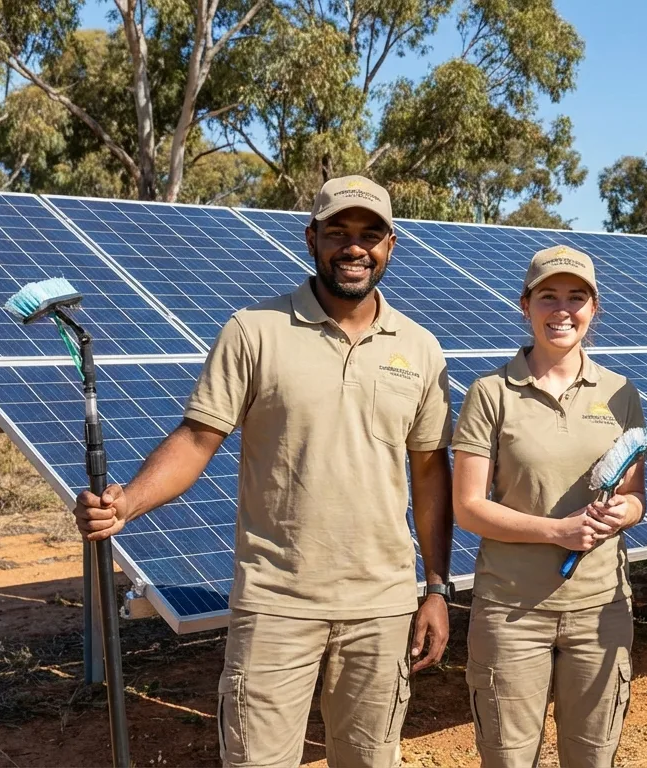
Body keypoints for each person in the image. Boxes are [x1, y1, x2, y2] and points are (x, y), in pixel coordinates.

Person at [73, 176, 455, 768]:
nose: (354, 248)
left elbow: (430, 473)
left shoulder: (422, 348)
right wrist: (126, 502)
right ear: (311, 239)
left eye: (370, 234)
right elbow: (197, 439)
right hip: (277, 603)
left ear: (391, 245)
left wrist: (434, 589)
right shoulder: (254, 331)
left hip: (382, 606)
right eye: (338, 233)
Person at [451, 245, 647, 768]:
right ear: (525, 305)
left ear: (594, 308)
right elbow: (468, 508)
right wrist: (556, 531)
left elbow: (635, 496)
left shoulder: (621, 393)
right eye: (548, 296)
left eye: (576, 297)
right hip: (513, 612)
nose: (563, 309)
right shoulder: (490, 393)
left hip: (600, 610)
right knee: (509, 758)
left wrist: (622, 513)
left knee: (593, 757)